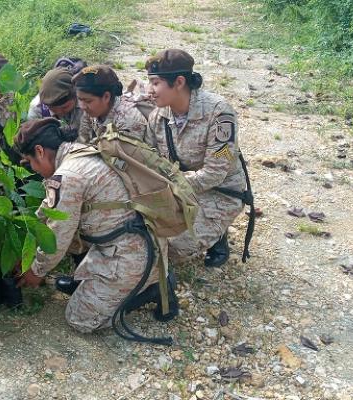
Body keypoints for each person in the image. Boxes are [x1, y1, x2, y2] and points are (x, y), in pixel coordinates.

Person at [14, 118, 167, 333]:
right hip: (134, 242)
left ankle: (151, 289)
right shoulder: (81, 152)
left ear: (39, 151)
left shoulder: (68, 175)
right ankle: (139, 280)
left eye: (30, 162)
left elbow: (58, 236)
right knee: (85, 294)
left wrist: (37, 271)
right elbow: (48, 209)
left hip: (132, 254)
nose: (33, 169)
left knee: (79, 319)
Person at [143, 49, 248, 267]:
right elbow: (151, 160)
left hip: (219, 192)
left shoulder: (220, 113)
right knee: (141, 234)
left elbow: (215, 174)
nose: (149, 90)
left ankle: (218, 231)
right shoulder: (158, 117)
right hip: (180, 189)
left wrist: (168, 187)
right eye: (149, 82)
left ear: (179, 82)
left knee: (172, 247)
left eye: (155, 83)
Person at [72, 65, 148, 144]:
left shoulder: (128, 119)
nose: (82, 106)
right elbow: (83, 141)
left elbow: (126, 154)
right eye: (80, 99)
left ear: (106, 97)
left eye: (88, 101)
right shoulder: (91, 110)